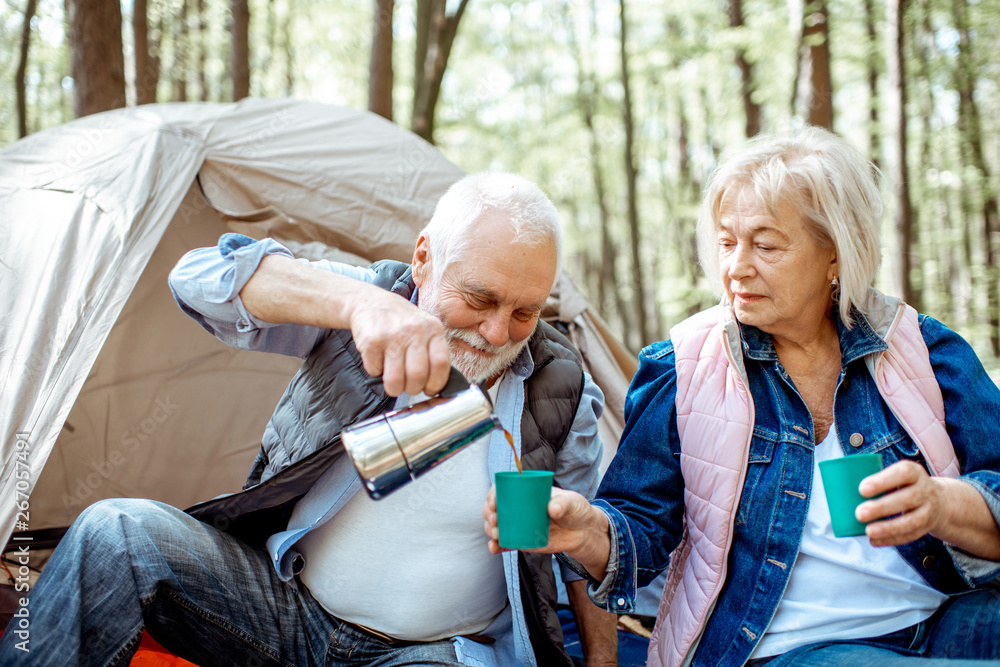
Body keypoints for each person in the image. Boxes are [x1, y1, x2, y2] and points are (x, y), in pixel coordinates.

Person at [0, 172, 619, 666]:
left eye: (525, 312)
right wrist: (356, 306)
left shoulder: (559, 389)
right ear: (425, 259)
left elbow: (585, 552)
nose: (495, 332)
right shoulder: (363, 304)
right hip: (286, 608)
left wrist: (603, 657)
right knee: (116, 532)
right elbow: (197, 280)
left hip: (435, 653)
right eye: (480, 299)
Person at [484, 127, 1000, 667]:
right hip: (788, 649)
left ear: (836, 254)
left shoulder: (920, 347)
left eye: (767, 244)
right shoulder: (684, 365)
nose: (736, 267)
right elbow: (640, 529)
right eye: (728, 242)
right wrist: (587, 529)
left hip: (942, 614)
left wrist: (940, 504)